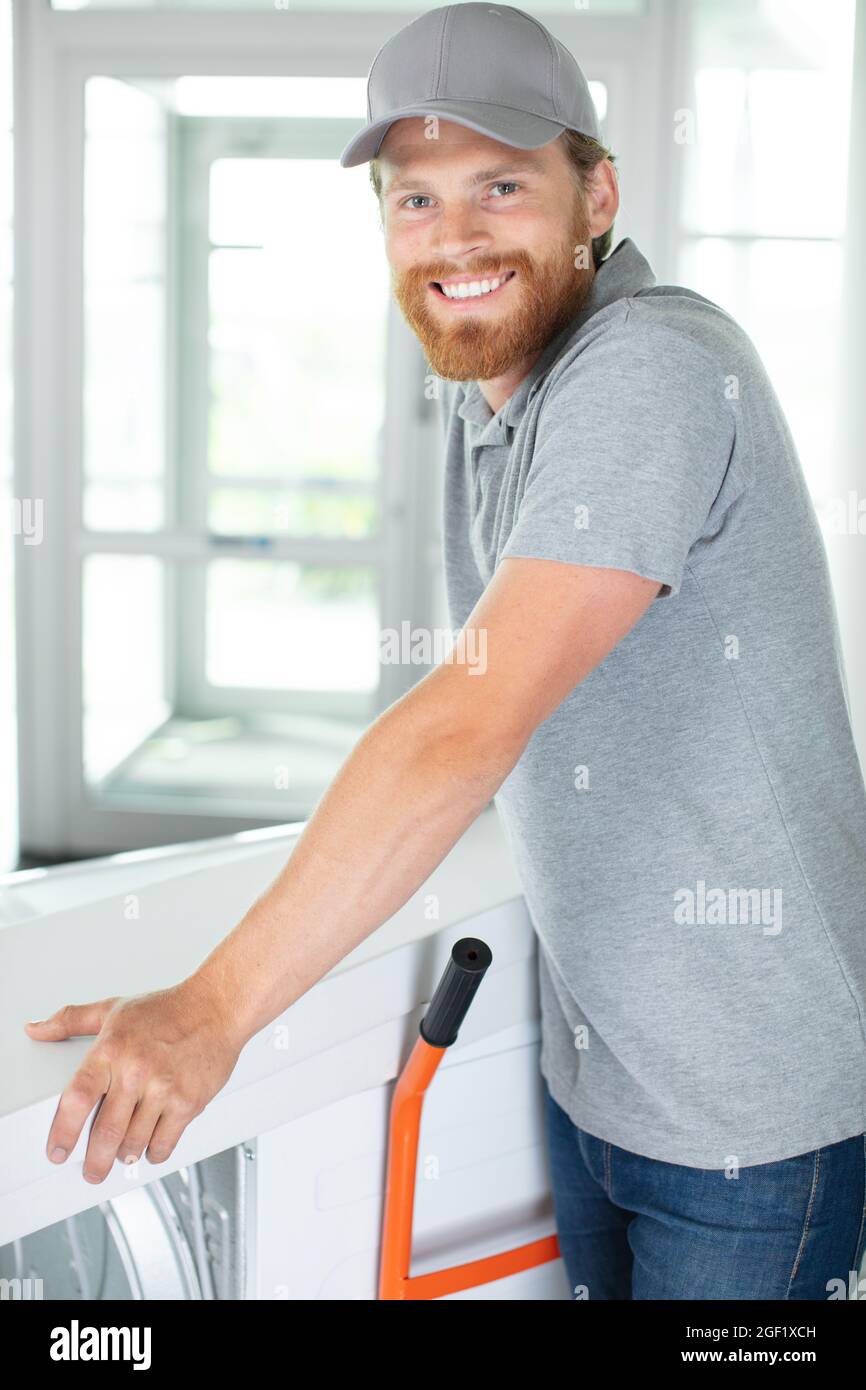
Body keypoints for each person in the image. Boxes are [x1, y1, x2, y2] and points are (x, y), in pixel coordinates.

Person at [25, 3, 866, 1300]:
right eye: (412, 199)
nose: (453, 235)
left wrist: (208, 1010)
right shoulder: (502, 403)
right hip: (601, 1085)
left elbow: (464, 725)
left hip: (750, 1123)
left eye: (499, 185)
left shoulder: (648, 364)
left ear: (597, 197)